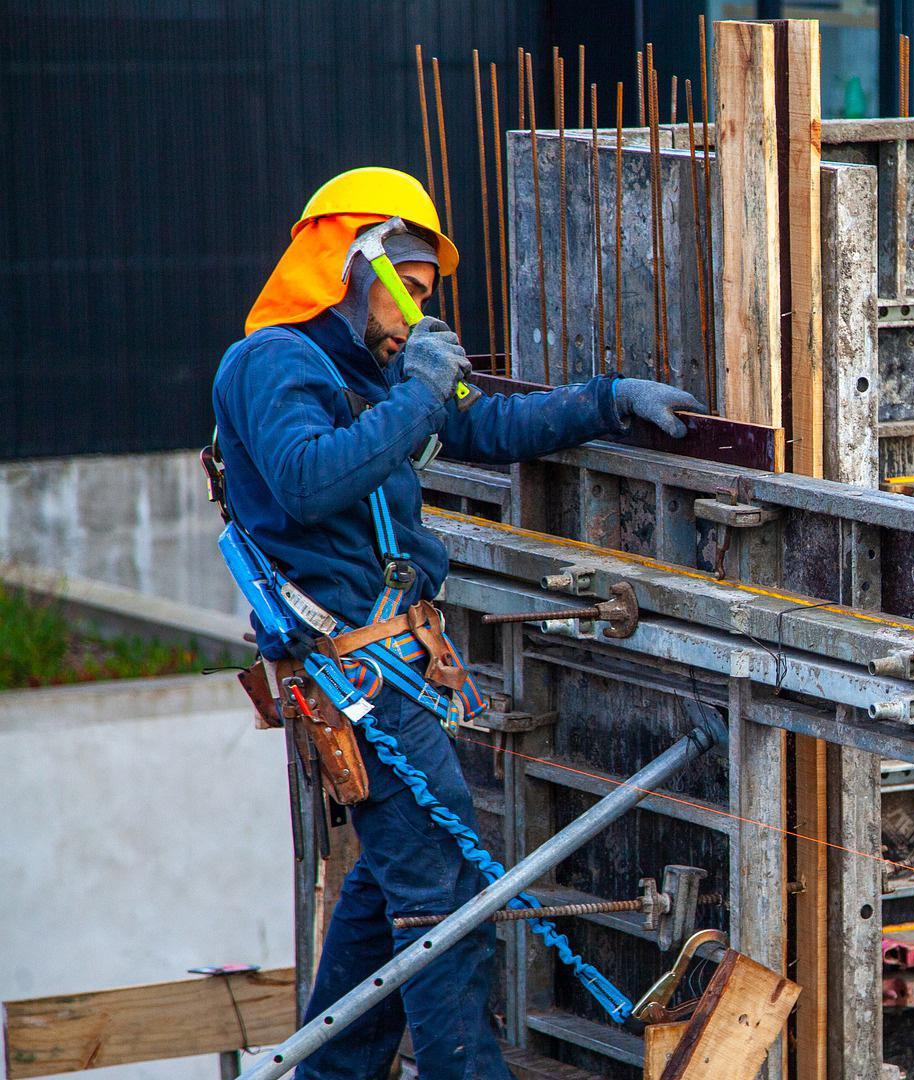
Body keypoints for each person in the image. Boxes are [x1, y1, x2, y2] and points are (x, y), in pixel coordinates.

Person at [211, 167, 698, 1080]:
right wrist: (420, 393)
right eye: (417, 289)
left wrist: (609, 398)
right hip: (356, 679)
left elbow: (492, 426)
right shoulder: (272, 363)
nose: (424, 317)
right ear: (364, 265)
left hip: (387, 670)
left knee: (387, 893)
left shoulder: (376, 373)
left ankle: (328, 1075)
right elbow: (308, 480)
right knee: (449, 911)